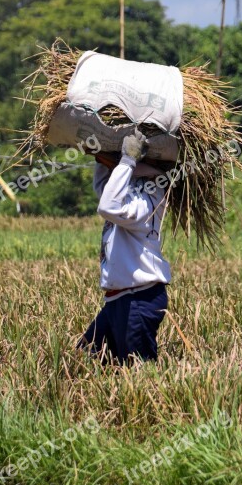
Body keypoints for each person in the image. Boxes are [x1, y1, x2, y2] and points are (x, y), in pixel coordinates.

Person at [77, 128, 171, 365]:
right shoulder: (136, 190)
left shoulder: (150, 197)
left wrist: (127, 160)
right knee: (86, 358)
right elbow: (104, 192)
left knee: (138, 377)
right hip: (118, 300)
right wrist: (102, 156)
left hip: (138, 299)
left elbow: (108, 206)